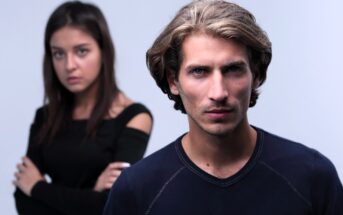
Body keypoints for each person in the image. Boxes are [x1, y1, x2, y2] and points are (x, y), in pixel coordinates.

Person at [103, 0, 343, 214]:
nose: (218, 93)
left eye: (232, 70)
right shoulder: (137, 189)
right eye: (199, 71)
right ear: (173, 81)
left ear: (256, 74)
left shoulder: (312, 176)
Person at [13, 1, 153, 215]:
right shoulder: (45, 117)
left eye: (81, 51)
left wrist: (37, 187)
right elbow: (23, 203)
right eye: (58, 54)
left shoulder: (134, 117)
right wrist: (91, 194)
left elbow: (110, 205)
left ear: (103, 51)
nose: (69, 65)